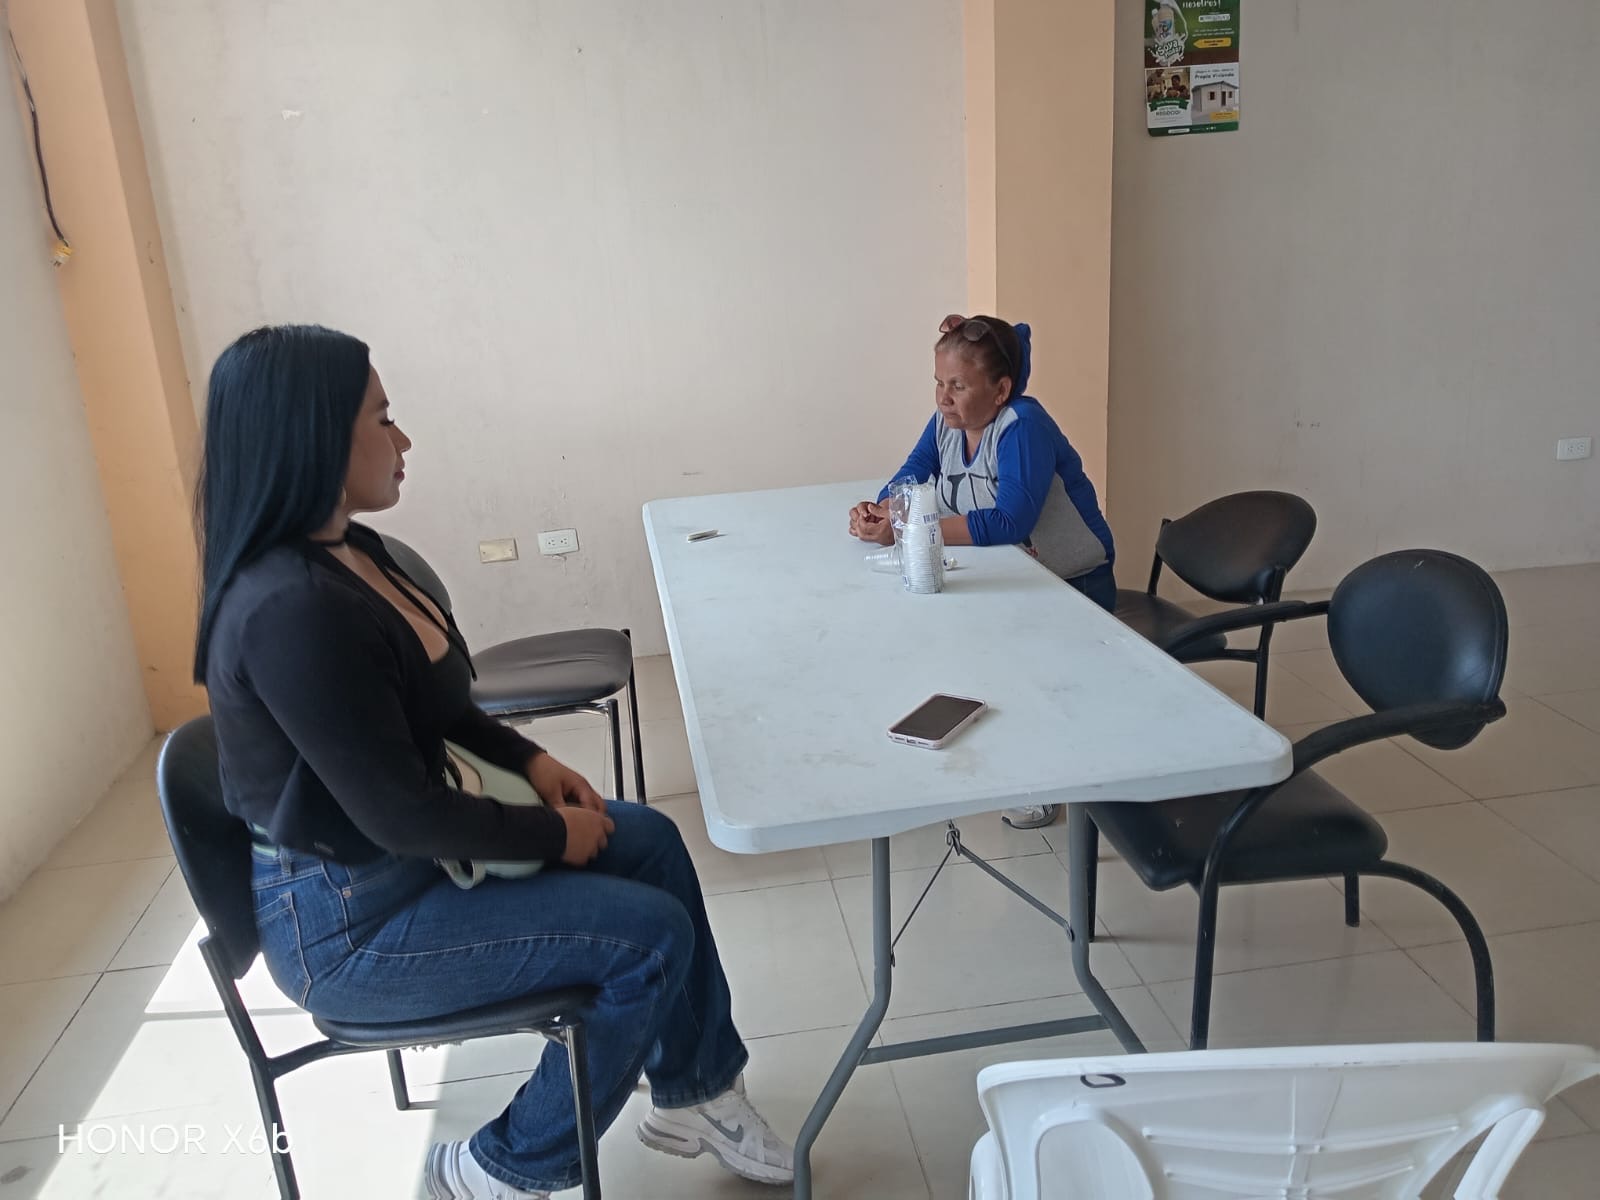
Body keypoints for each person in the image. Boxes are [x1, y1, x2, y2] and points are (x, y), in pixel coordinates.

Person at [196, 325, 793, 1200]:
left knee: (652, 842)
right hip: (349, 924)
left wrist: (533, 762)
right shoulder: (290, 610)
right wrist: (551, 835)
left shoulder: (354, 554)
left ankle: (695, 1092)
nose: (404, 440)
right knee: (647, 942)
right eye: (383, 419)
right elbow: (401, 813)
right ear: (316, 435)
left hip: (410, 863)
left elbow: (442, 711)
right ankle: (500, 1168)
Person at [848, 313, 1116, 831]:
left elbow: (1010, 520)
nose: (943, 399)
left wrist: (909, 527)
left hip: (1072, 587)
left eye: (958, 386)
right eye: (938, 383)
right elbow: (909, 477)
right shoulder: (946, 425)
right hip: (1013, 578)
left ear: (1001, 391)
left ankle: (1044, 781)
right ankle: (989, 760)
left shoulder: (1023, 427)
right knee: (959, 648)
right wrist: (882, 512)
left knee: (1030, 680)